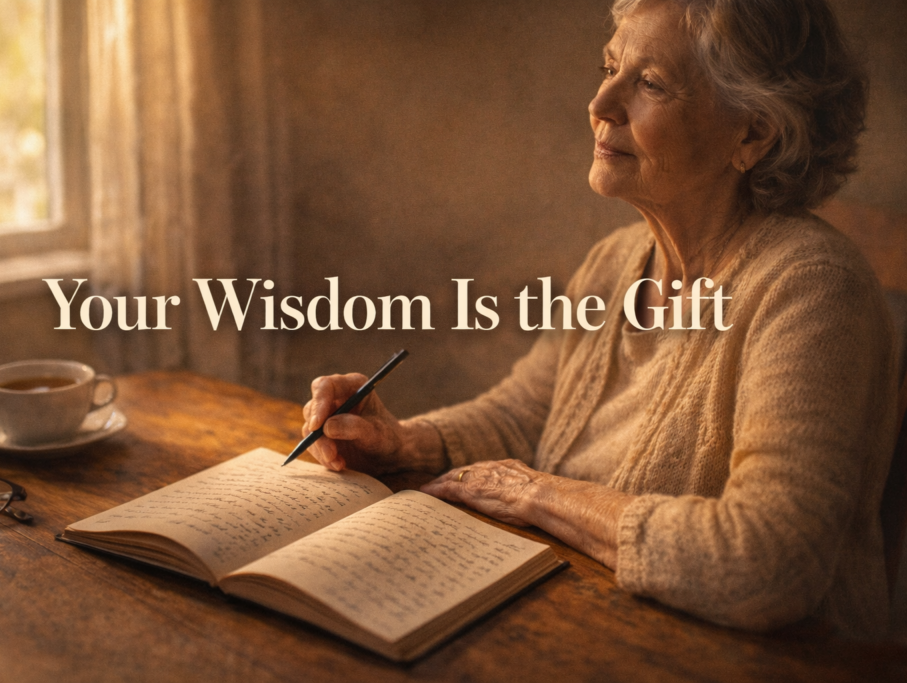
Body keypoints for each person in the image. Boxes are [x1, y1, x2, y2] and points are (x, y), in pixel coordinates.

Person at [300, 0, 897, 637]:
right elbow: (523, 415)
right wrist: (403, 443)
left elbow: (767, 563)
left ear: (752, 134)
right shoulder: (615, 263)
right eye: (611, 68)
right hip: (593, 624)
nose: (601, 104)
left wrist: (538, 494)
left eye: (650, 83)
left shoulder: (813, 290)